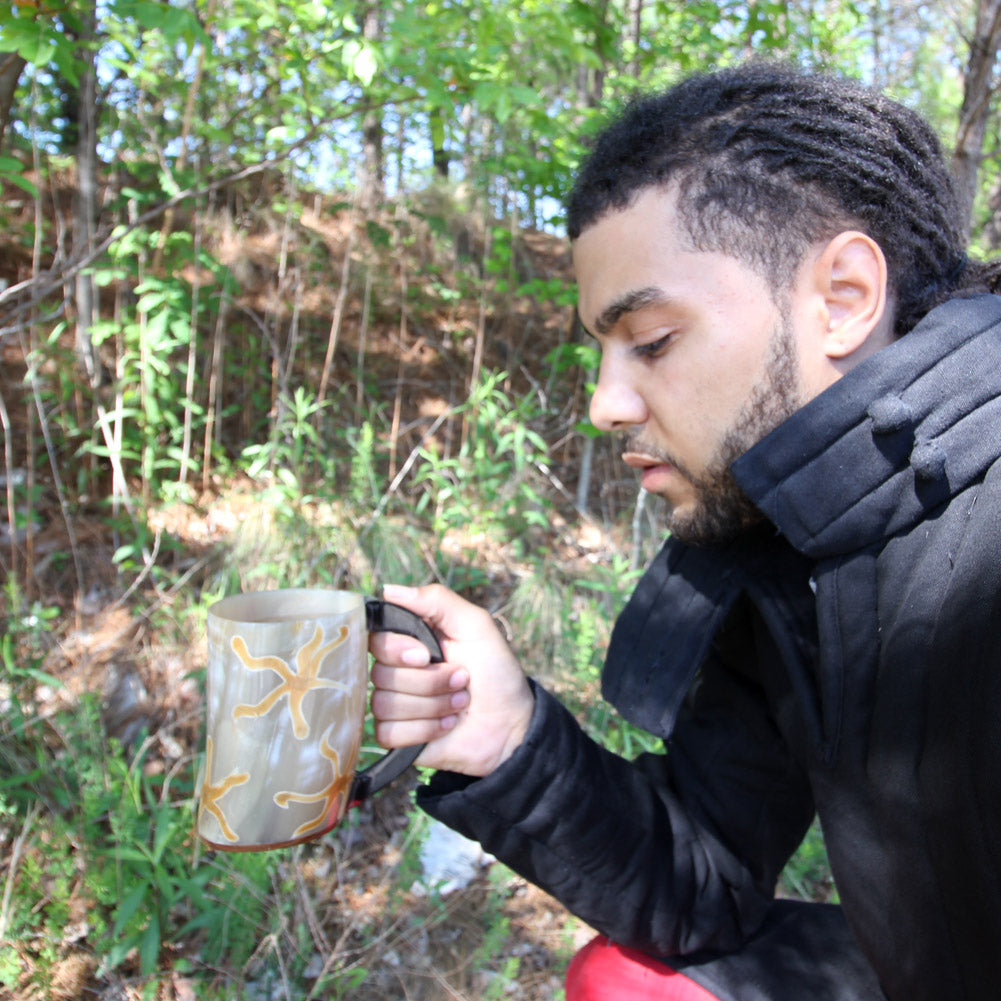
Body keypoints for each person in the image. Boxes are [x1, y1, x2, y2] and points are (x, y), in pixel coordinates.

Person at [367, 62, 1001, 1001]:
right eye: (600, 349)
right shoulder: (792, 543)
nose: (603, 404)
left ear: (841, 298)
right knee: (621, 982)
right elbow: (704, 877)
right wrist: (500, 737)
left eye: (652, 341)